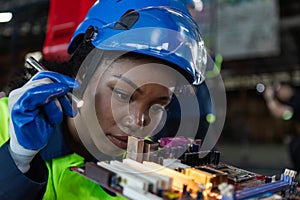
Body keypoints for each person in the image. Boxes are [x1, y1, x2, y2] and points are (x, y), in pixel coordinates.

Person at [0, 0, 211, 199]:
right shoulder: (3, 121)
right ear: (82, 73)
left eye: (157, 106)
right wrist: (17, 159)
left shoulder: (150, 166)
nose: (138, 122)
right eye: (122, 94)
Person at [263, 82, 300, 172]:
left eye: (278, 92)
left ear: (286, 87)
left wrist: (269, 98)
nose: (279, 96)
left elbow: (282, 113)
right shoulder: (292, 100)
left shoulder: (297, 99)